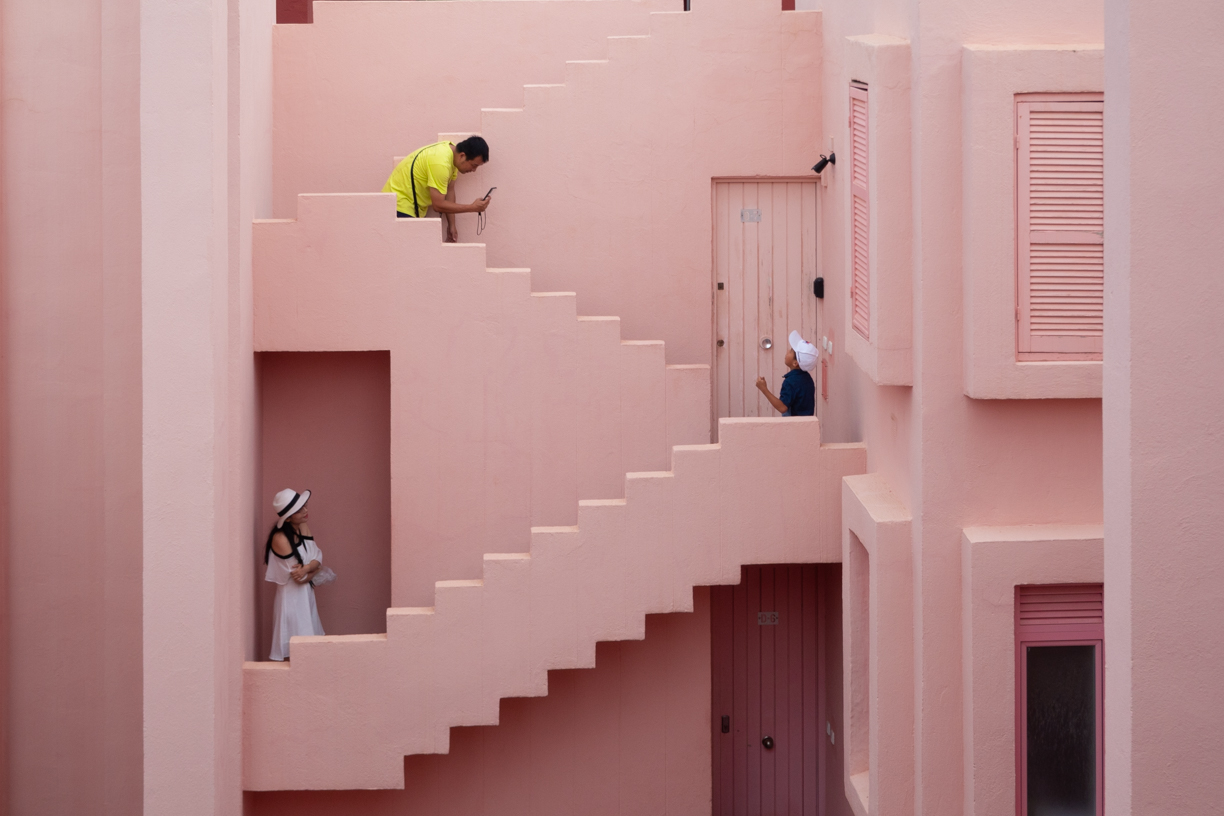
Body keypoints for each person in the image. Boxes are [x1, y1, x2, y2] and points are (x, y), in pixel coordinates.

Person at [383, 135, 492, 242]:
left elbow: (450, 190)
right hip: (398, 206)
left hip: (408, 207)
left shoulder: (452, 155)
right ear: (462, 156)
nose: (474, 170)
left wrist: (452, 226)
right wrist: (472, 208)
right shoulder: (441, 163)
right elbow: (438, 205)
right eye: (474, 165)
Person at [264, 488, 325, 661]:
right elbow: (299, 580)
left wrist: (307, 568)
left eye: (304, 506)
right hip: (291, 600)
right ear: (288, 517)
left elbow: (317, 556)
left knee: (310, 648)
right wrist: (314, 569)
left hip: (306, 597)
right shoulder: (280, 539)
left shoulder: (302, 526)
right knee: (295, 651)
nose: (305, 511)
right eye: (299, 510)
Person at [755, 330, 818, 416]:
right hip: (805, 424)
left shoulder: (791, 382)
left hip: (794, 426)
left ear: (795, 363)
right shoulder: (807, 378)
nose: (788, 351)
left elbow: (783, 407)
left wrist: (764, 389)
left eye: (791, 351)